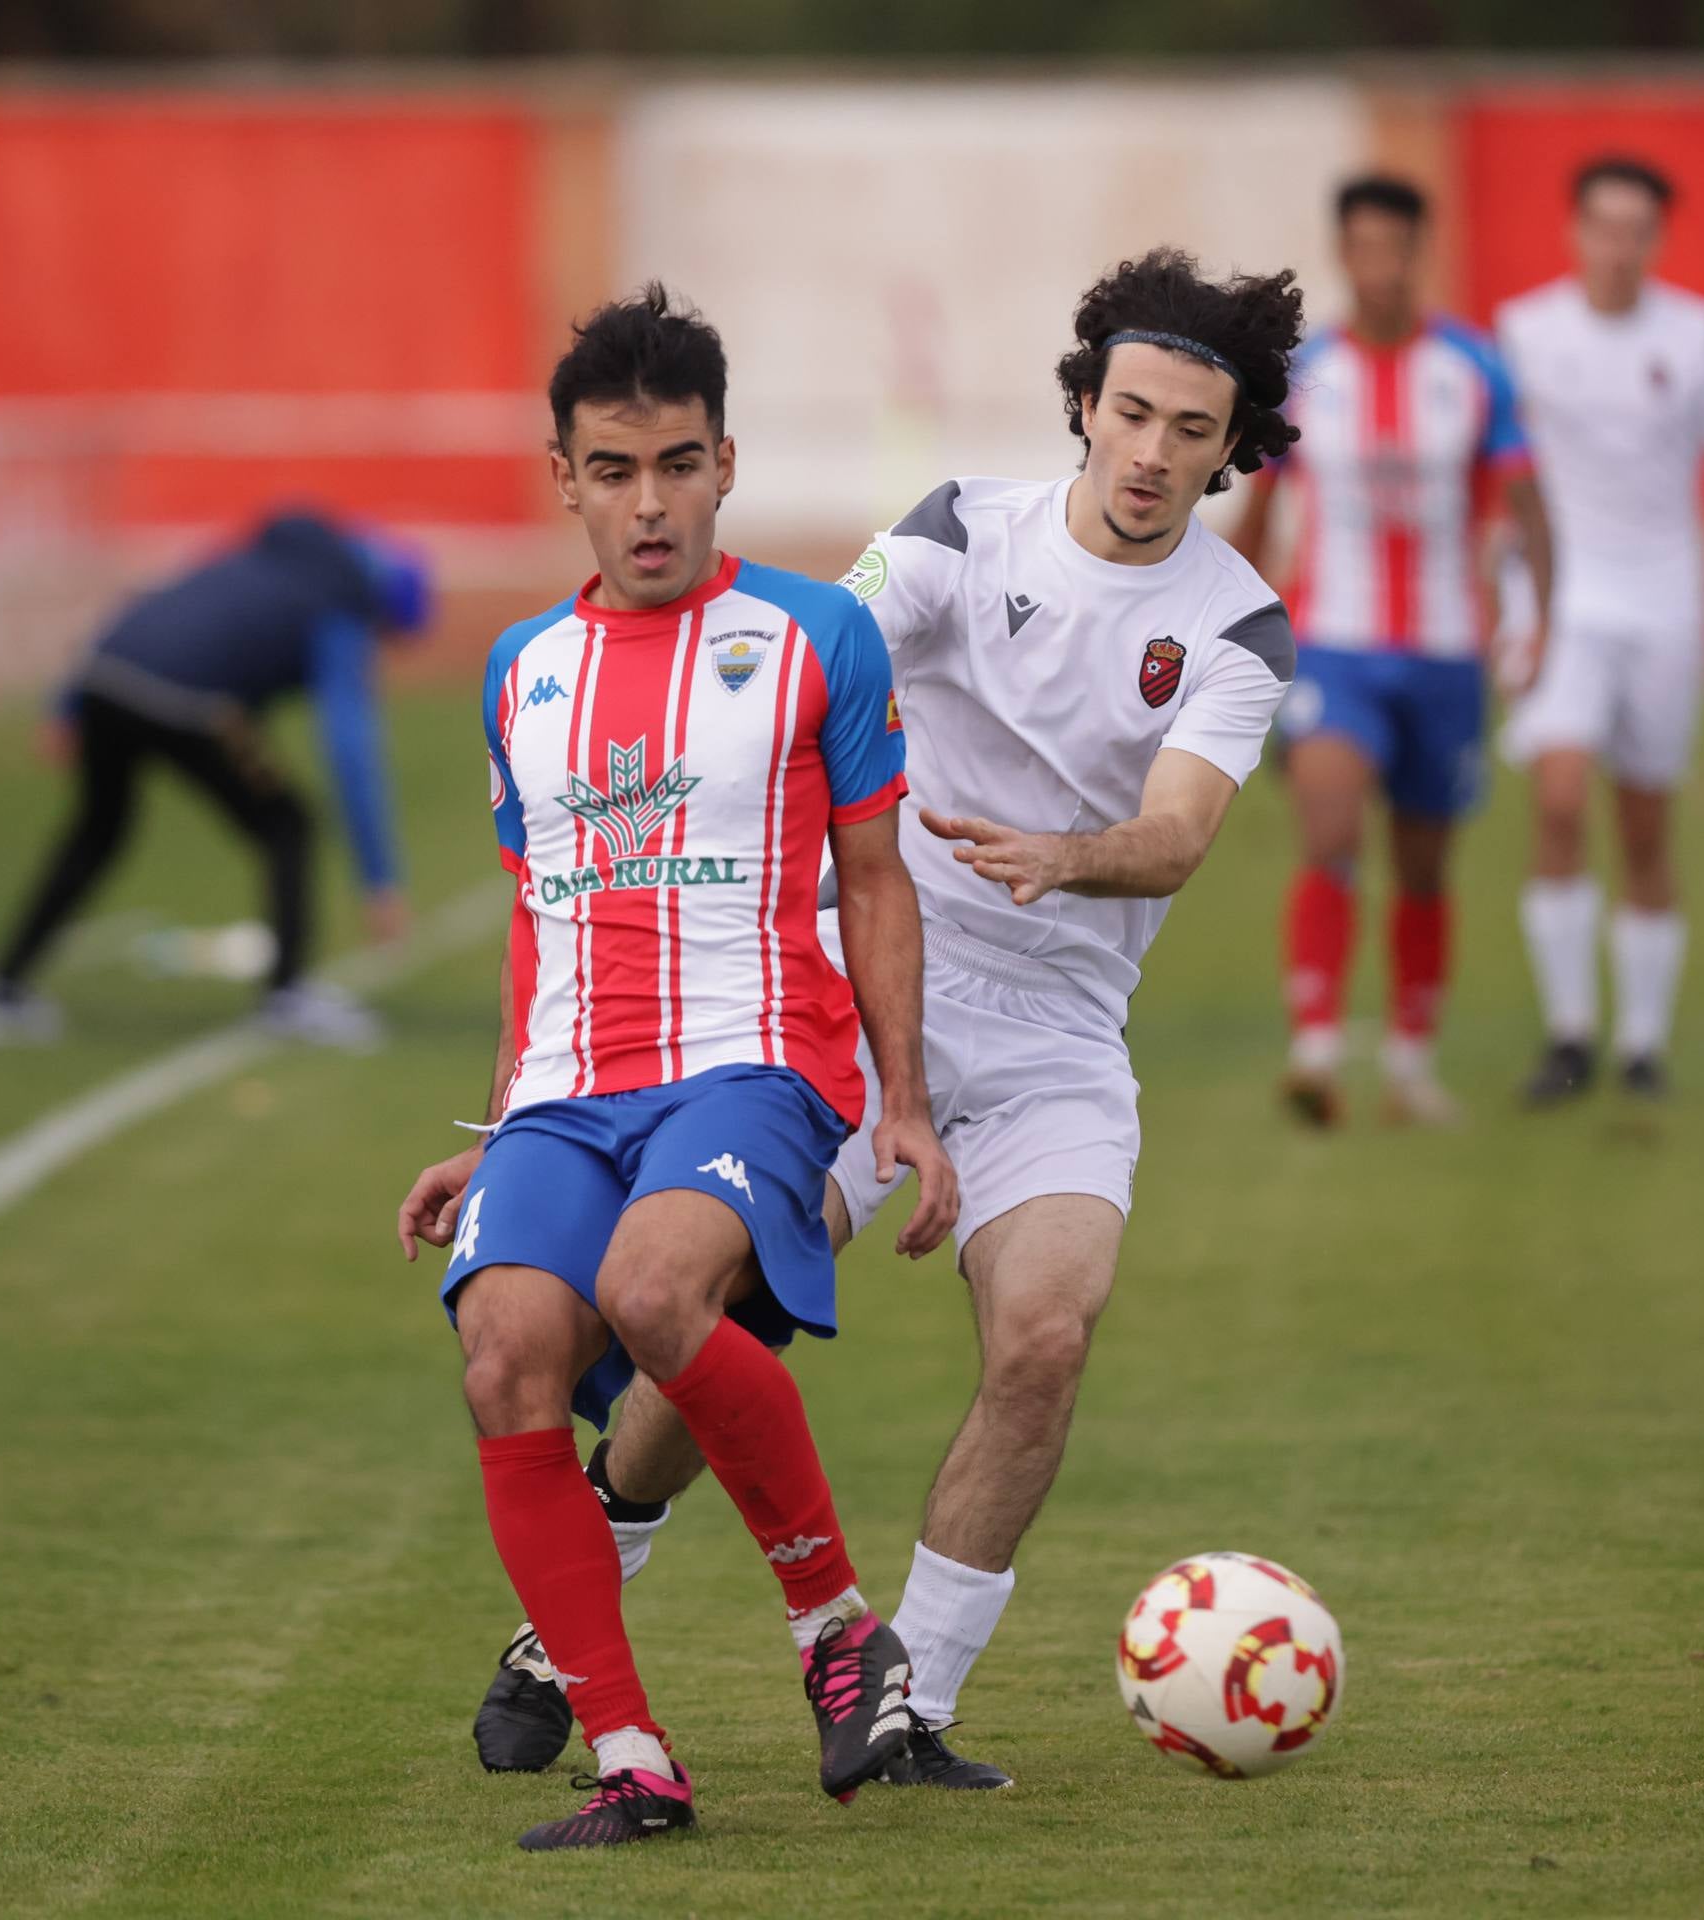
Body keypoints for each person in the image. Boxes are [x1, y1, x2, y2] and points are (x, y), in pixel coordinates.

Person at [471, 249, 1304, 1791]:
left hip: (1059, 1035)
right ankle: (572, 1610)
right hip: (868, 1006)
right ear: (1082, 405)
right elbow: (804, 662)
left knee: (1046, 1335)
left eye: (1192, 430)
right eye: (1129, 412)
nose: (1149, 453)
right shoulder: (953, 533)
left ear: (1233, 446)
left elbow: (1179, 833)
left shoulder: (1241, 629)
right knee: (693, 1314)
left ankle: (903, 1698)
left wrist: (1064, 854)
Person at [392, 285, 955, 1851]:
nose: (651, 503)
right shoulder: (522, 673)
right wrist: (496, 1127)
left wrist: (900, 1099)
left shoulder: (811, 639)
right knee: (502, 1351)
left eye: (680, 465)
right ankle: (634, 1757)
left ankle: (836, 1632)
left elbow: (879, 878)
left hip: (756, 1065)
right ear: (562, 477)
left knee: (653, 1293)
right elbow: (536, 915)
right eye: (615, 469)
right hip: (572, 1091)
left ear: (725, 466)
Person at [1230, 174, 1556, 1127]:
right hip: (1335, 645)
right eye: (1362, 248)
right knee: (1329, 828)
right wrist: (1225, 623)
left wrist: (1534, 618)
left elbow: (1527, 511)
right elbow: (1259, 510)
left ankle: (1412, 1064)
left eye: (1396, 248)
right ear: (1344, 253)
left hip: (1448, 652)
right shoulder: (1306, 372)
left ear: (1418, 252)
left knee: (1422, 866)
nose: (1380, 267)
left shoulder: (1475, 368)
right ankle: (1318, 1045)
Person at [1494, 154, 1704, 1104]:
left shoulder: (1701, 337)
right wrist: (1502, 598)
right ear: (1574, 231)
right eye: (1602, 226)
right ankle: (1571, 1032)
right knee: (1558, 795)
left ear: (1656, 240)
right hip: (1566, 598)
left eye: (1637, 229)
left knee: (1646, 825)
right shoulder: (1526, 335)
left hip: (1666, 601)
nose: (1618, 247)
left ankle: (1643, 1044)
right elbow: (1499, 475)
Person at [0, 509, 426, 1050]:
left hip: (104, 678)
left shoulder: (261, 558)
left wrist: (67, 700)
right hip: (187, 701)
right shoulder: (339, 608)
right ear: (384, 609)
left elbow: (151, 602)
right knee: (287, 822)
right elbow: (351, 751)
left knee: (97, 831)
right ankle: (288, 996)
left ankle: (0, 988)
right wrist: (380, 880)